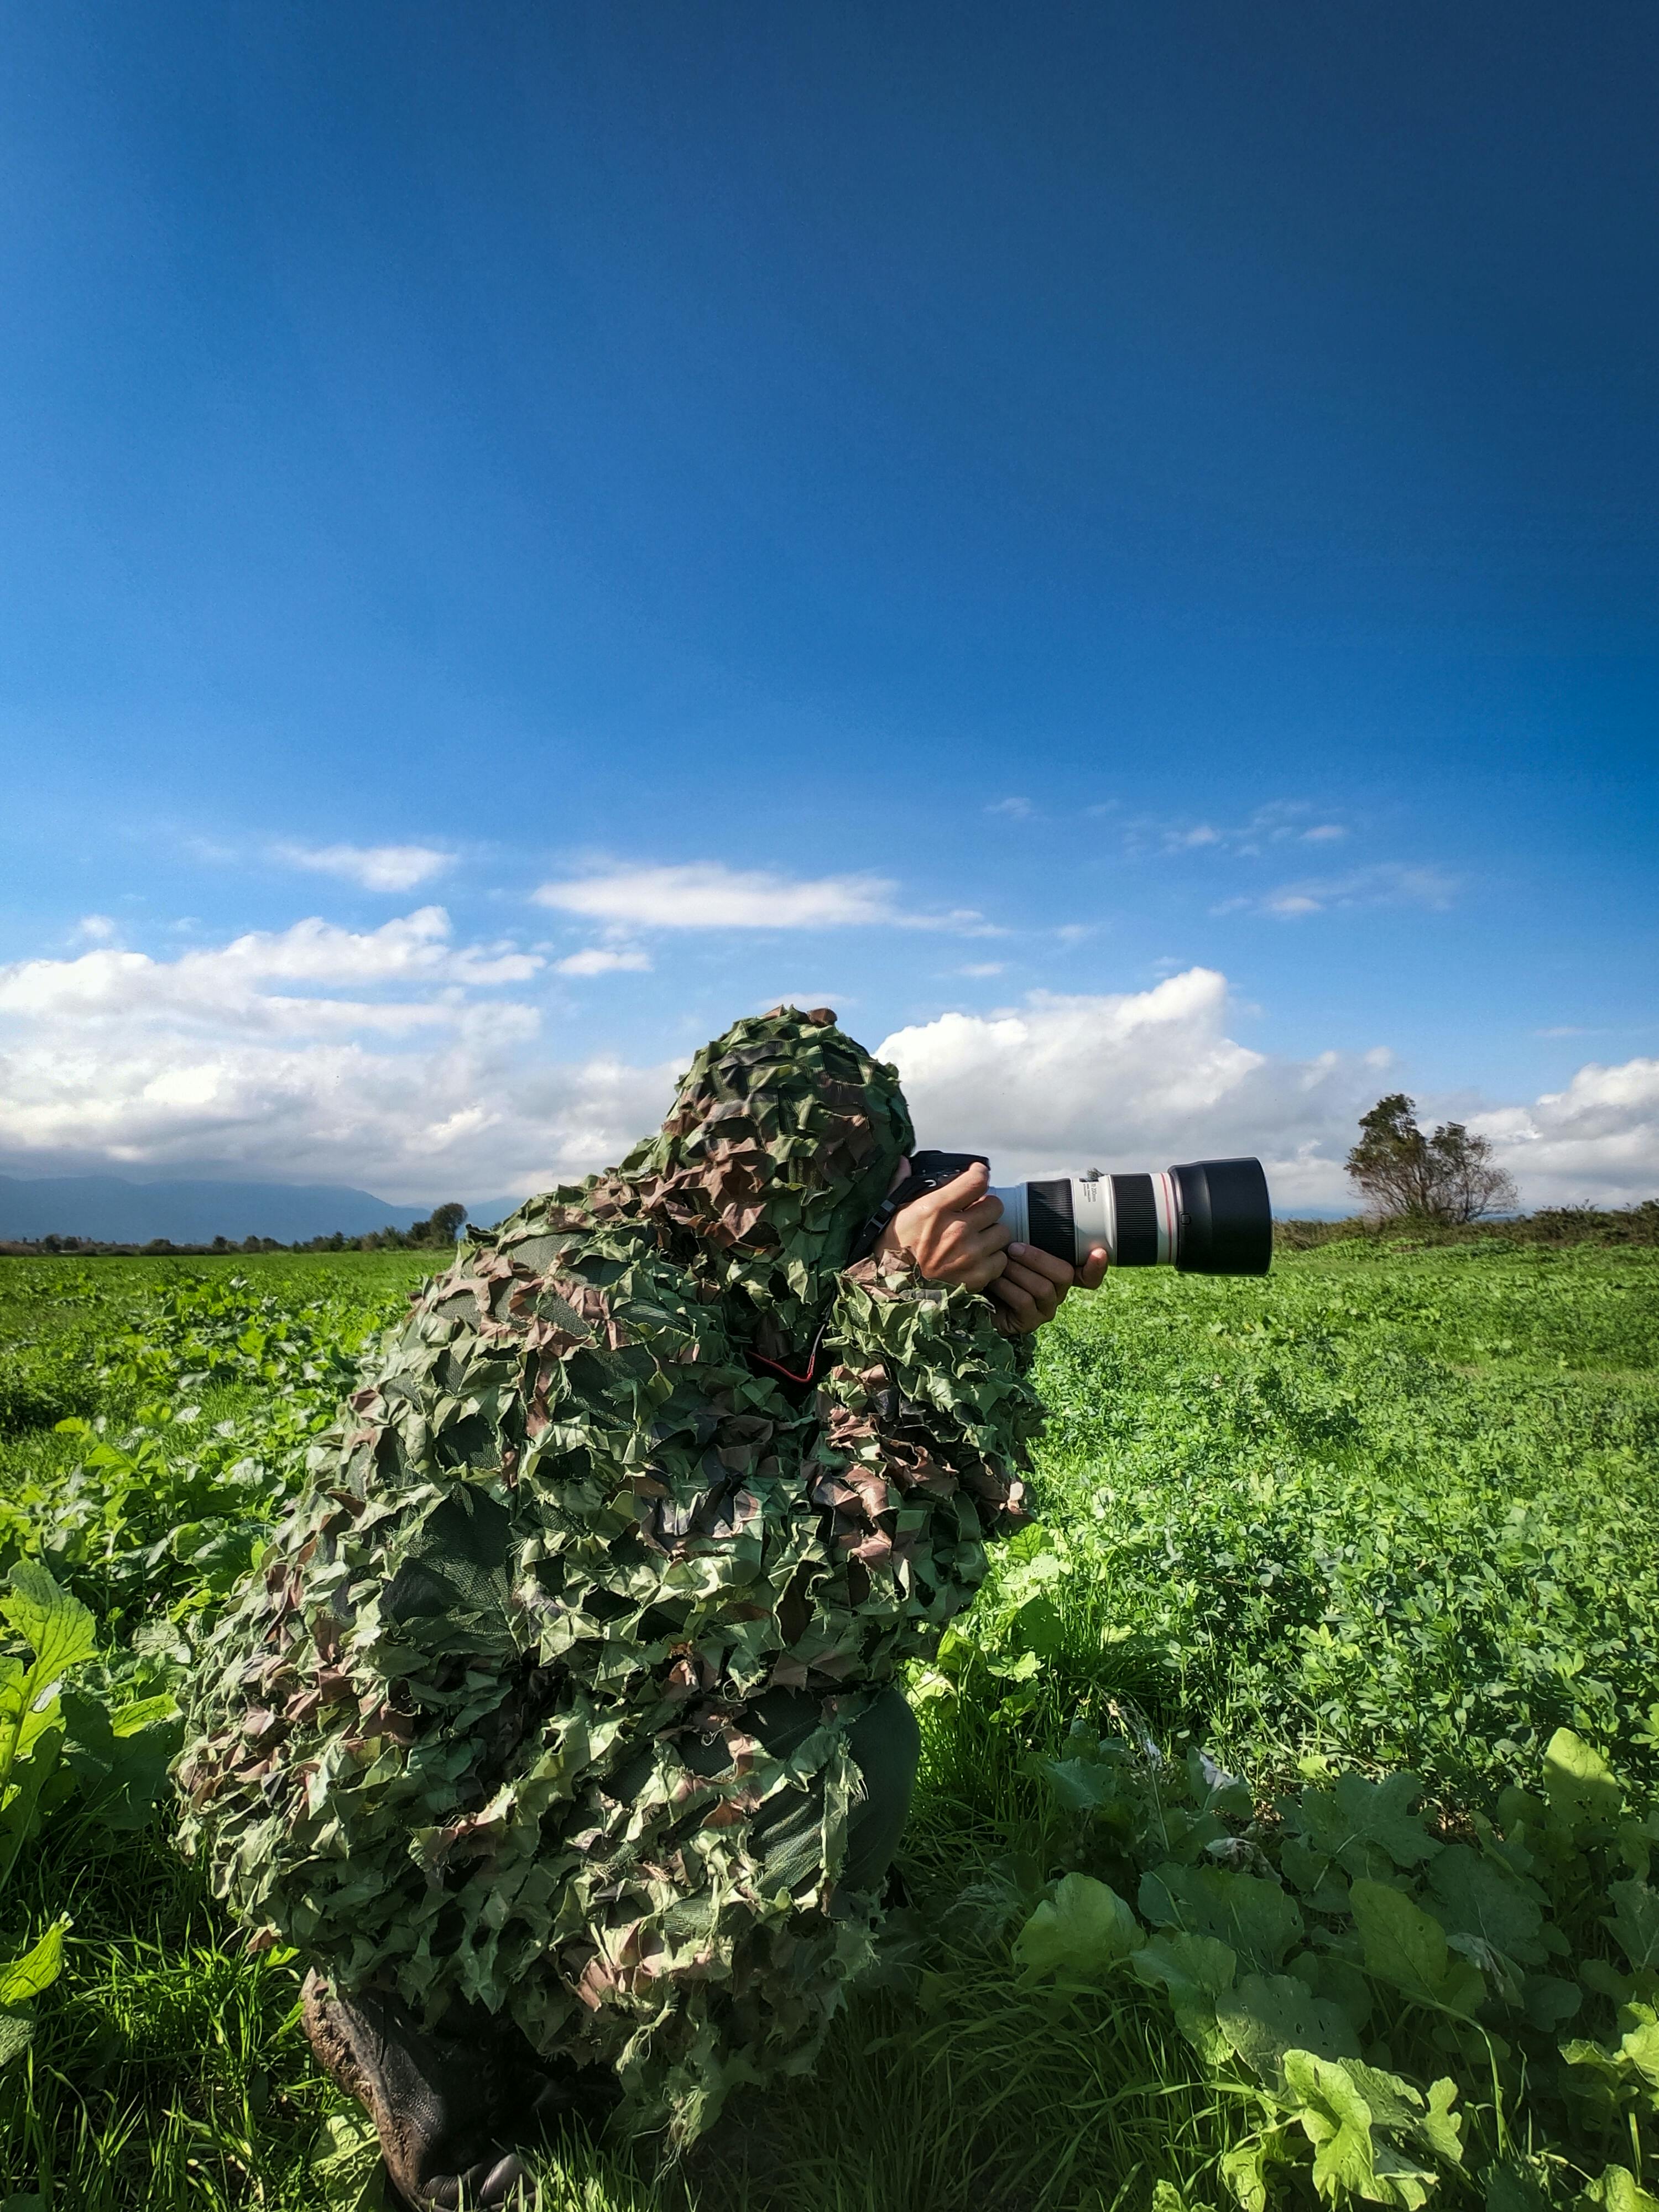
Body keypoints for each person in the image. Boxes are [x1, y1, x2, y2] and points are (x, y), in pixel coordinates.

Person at [176, 1007, 1105, 2210]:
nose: (872, 1226)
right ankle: (436, 2015)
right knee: (847, 1758)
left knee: (810, 1736)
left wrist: (967, 1332)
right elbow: (808, 1602)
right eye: (854, 1202)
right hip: (380, 1833)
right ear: (776, 1197)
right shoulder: (585, 1315)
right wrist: (914, 1330)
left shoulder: (640, 1255)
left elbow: (762, 1451)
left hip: (435, 1746)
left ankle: (528, 1987)